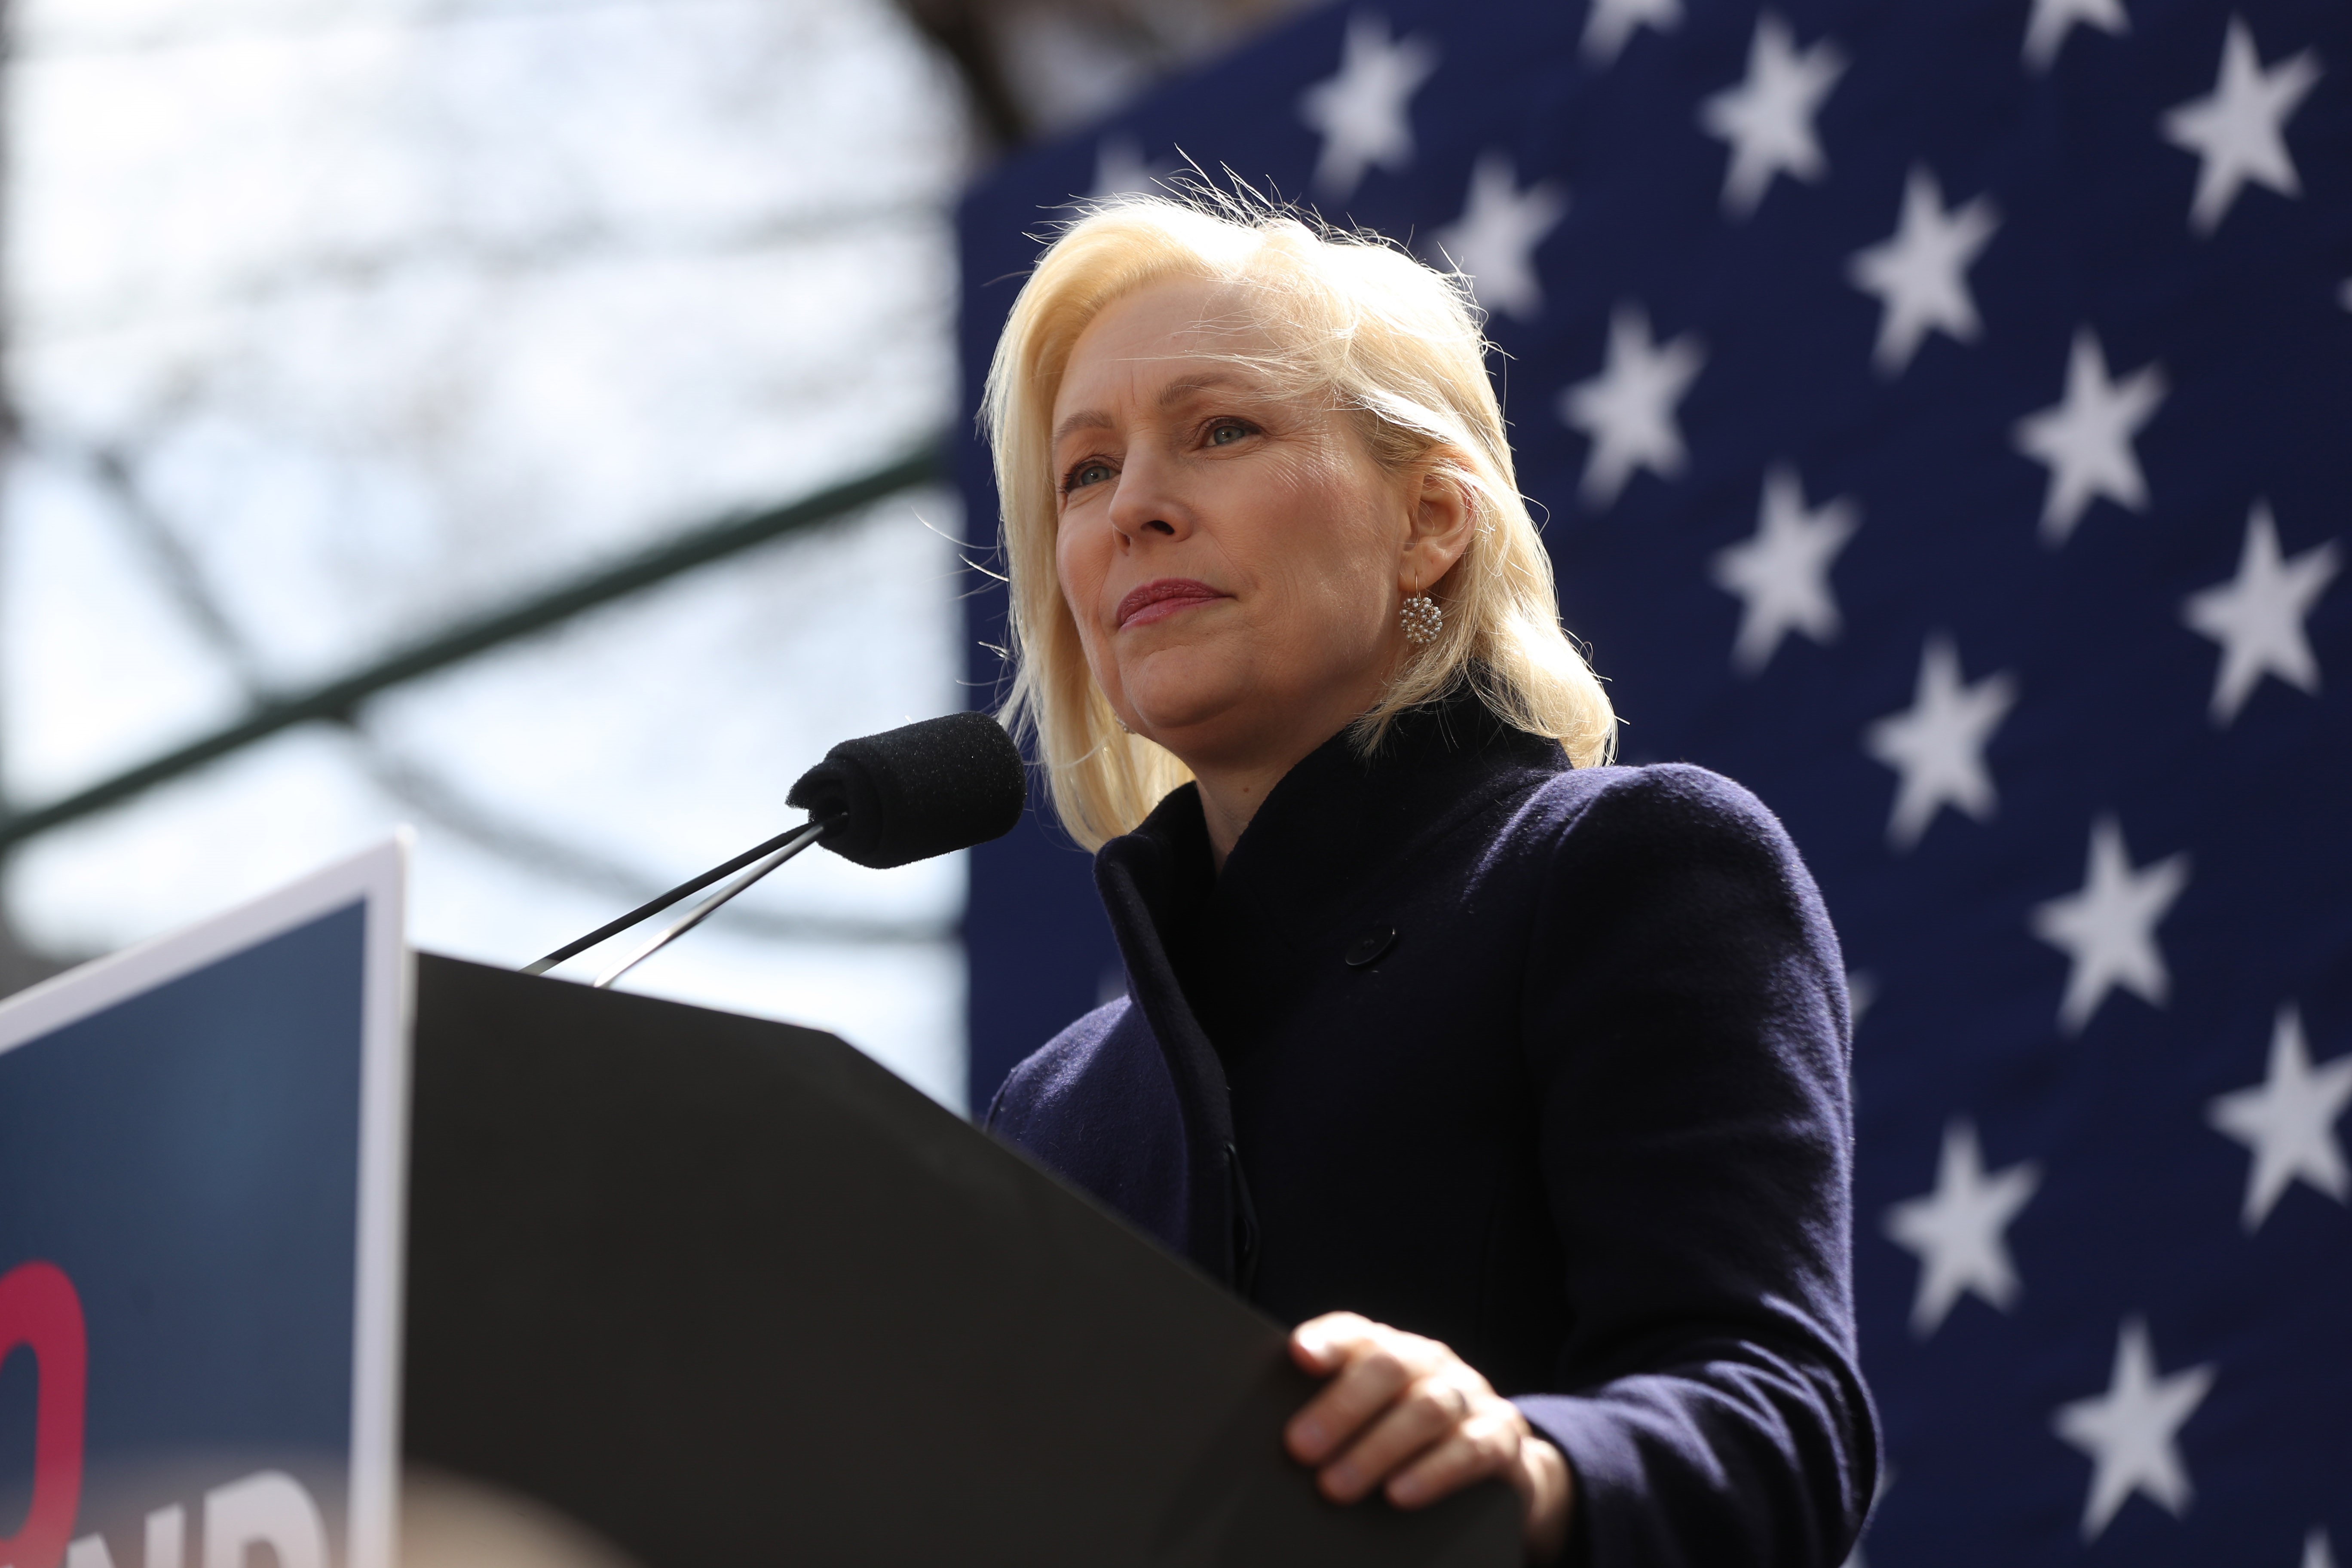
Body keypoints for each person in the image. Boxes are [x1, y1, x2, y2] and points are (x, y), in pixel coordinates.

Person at [978, 192, 1877, 1566]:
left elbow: (1778, 1425)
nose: (1133, 509)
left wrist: (1529, 1467)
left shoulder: (1630, 868)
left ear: (1431, 520)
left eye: (1221, 430)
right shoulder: (1050, 1112)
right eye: (1086, 471)